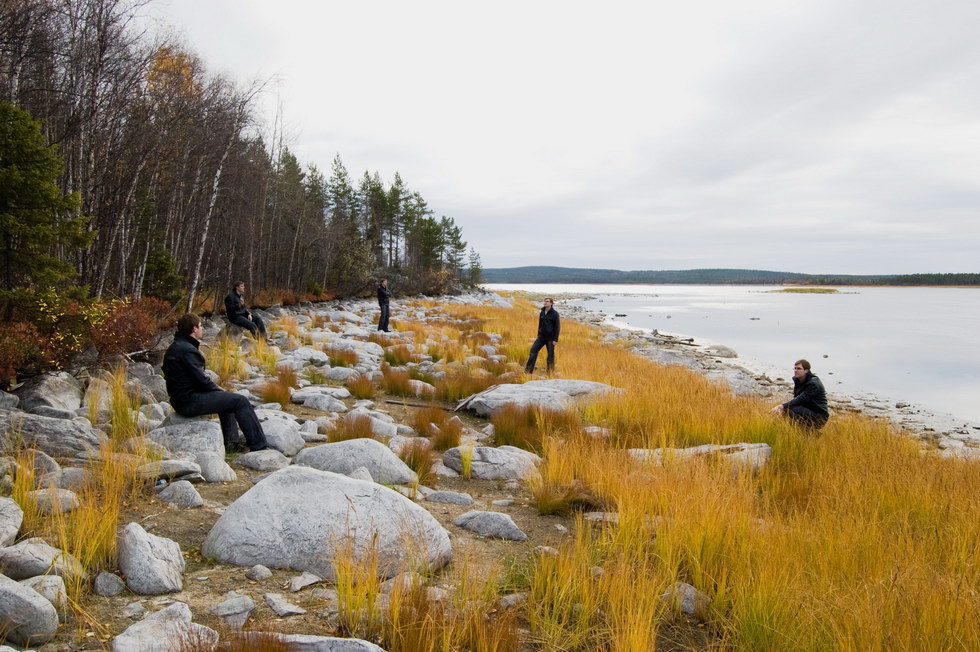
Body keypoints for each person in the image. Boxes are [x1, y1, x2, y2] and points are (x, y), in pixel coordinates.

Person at [163, 313, 270, 453]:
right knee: (240, 401)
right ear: (194, 329)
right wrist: (220, 391)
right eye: (201, 326)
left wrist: (220, 393)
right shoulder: (187, 350)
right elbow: (202, 380)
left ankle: (232, 444)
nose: (202, 329)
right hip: (189, 401)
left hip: (181, 399)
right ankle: (259, 445)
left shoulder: (178, 346)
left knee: (227, 401)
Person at [771, 359, 830, 429]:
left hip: (819, 416)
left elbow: (801, 399)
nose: (796, 370)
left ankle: (810, 432)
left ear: (806, 370)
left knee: (790, 409)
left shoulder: (813, 383)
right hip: (808, 411)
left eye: (799, 368)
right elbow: (797, 398)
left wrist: (782, 406)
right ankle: (802, 432)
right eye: (795, 368)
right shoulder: (798, 380)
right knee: (788, 410)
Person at [525, 297, 560, 374]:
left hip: (550, 338)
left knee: (550, 356)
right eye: (544, 301)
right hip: (541, 337)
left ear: (551, 303)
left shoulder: (555, 314)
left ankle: (550, 373)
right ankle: (528, 371)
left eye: (547, 301)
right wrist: (538, 334)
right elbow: (540, 324)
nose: (545, 302)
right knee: (533, 351)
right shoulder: (542, 312)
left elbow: (557, 327)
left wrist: (555, 339)